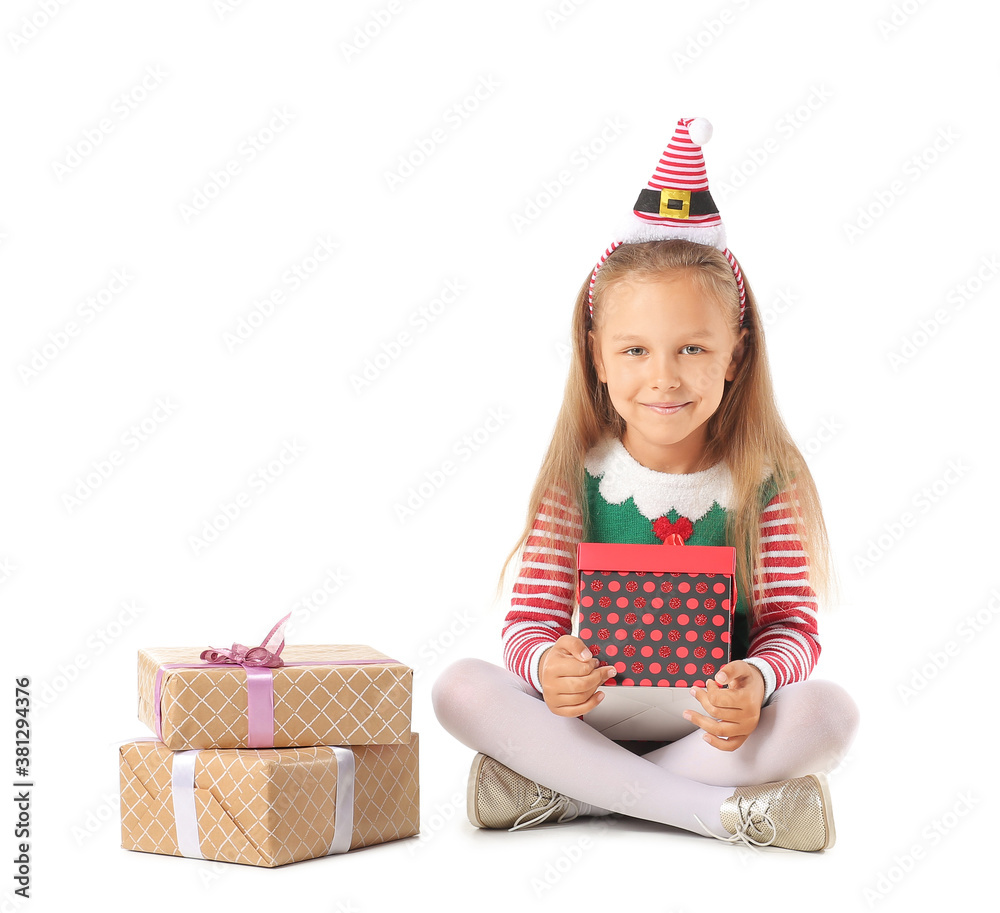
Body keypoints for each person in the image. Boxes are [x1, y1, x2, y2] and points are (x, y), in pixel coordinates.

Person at [431, 117, 859, 852]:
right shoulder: (580, 474)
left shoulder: (767, 479)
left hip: (707, 723)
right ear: (598, 356)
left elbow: (793, 625)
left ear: (735, 354)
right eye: (635, 349)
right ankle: (713, 812)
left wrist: (756, 679)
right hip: (593, 713)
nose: (663, 376)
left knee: (830, 713)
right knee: (457, 687)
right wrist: (546, 665)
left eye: (692, 347)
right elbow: (528, 621)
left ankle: (566, 793)